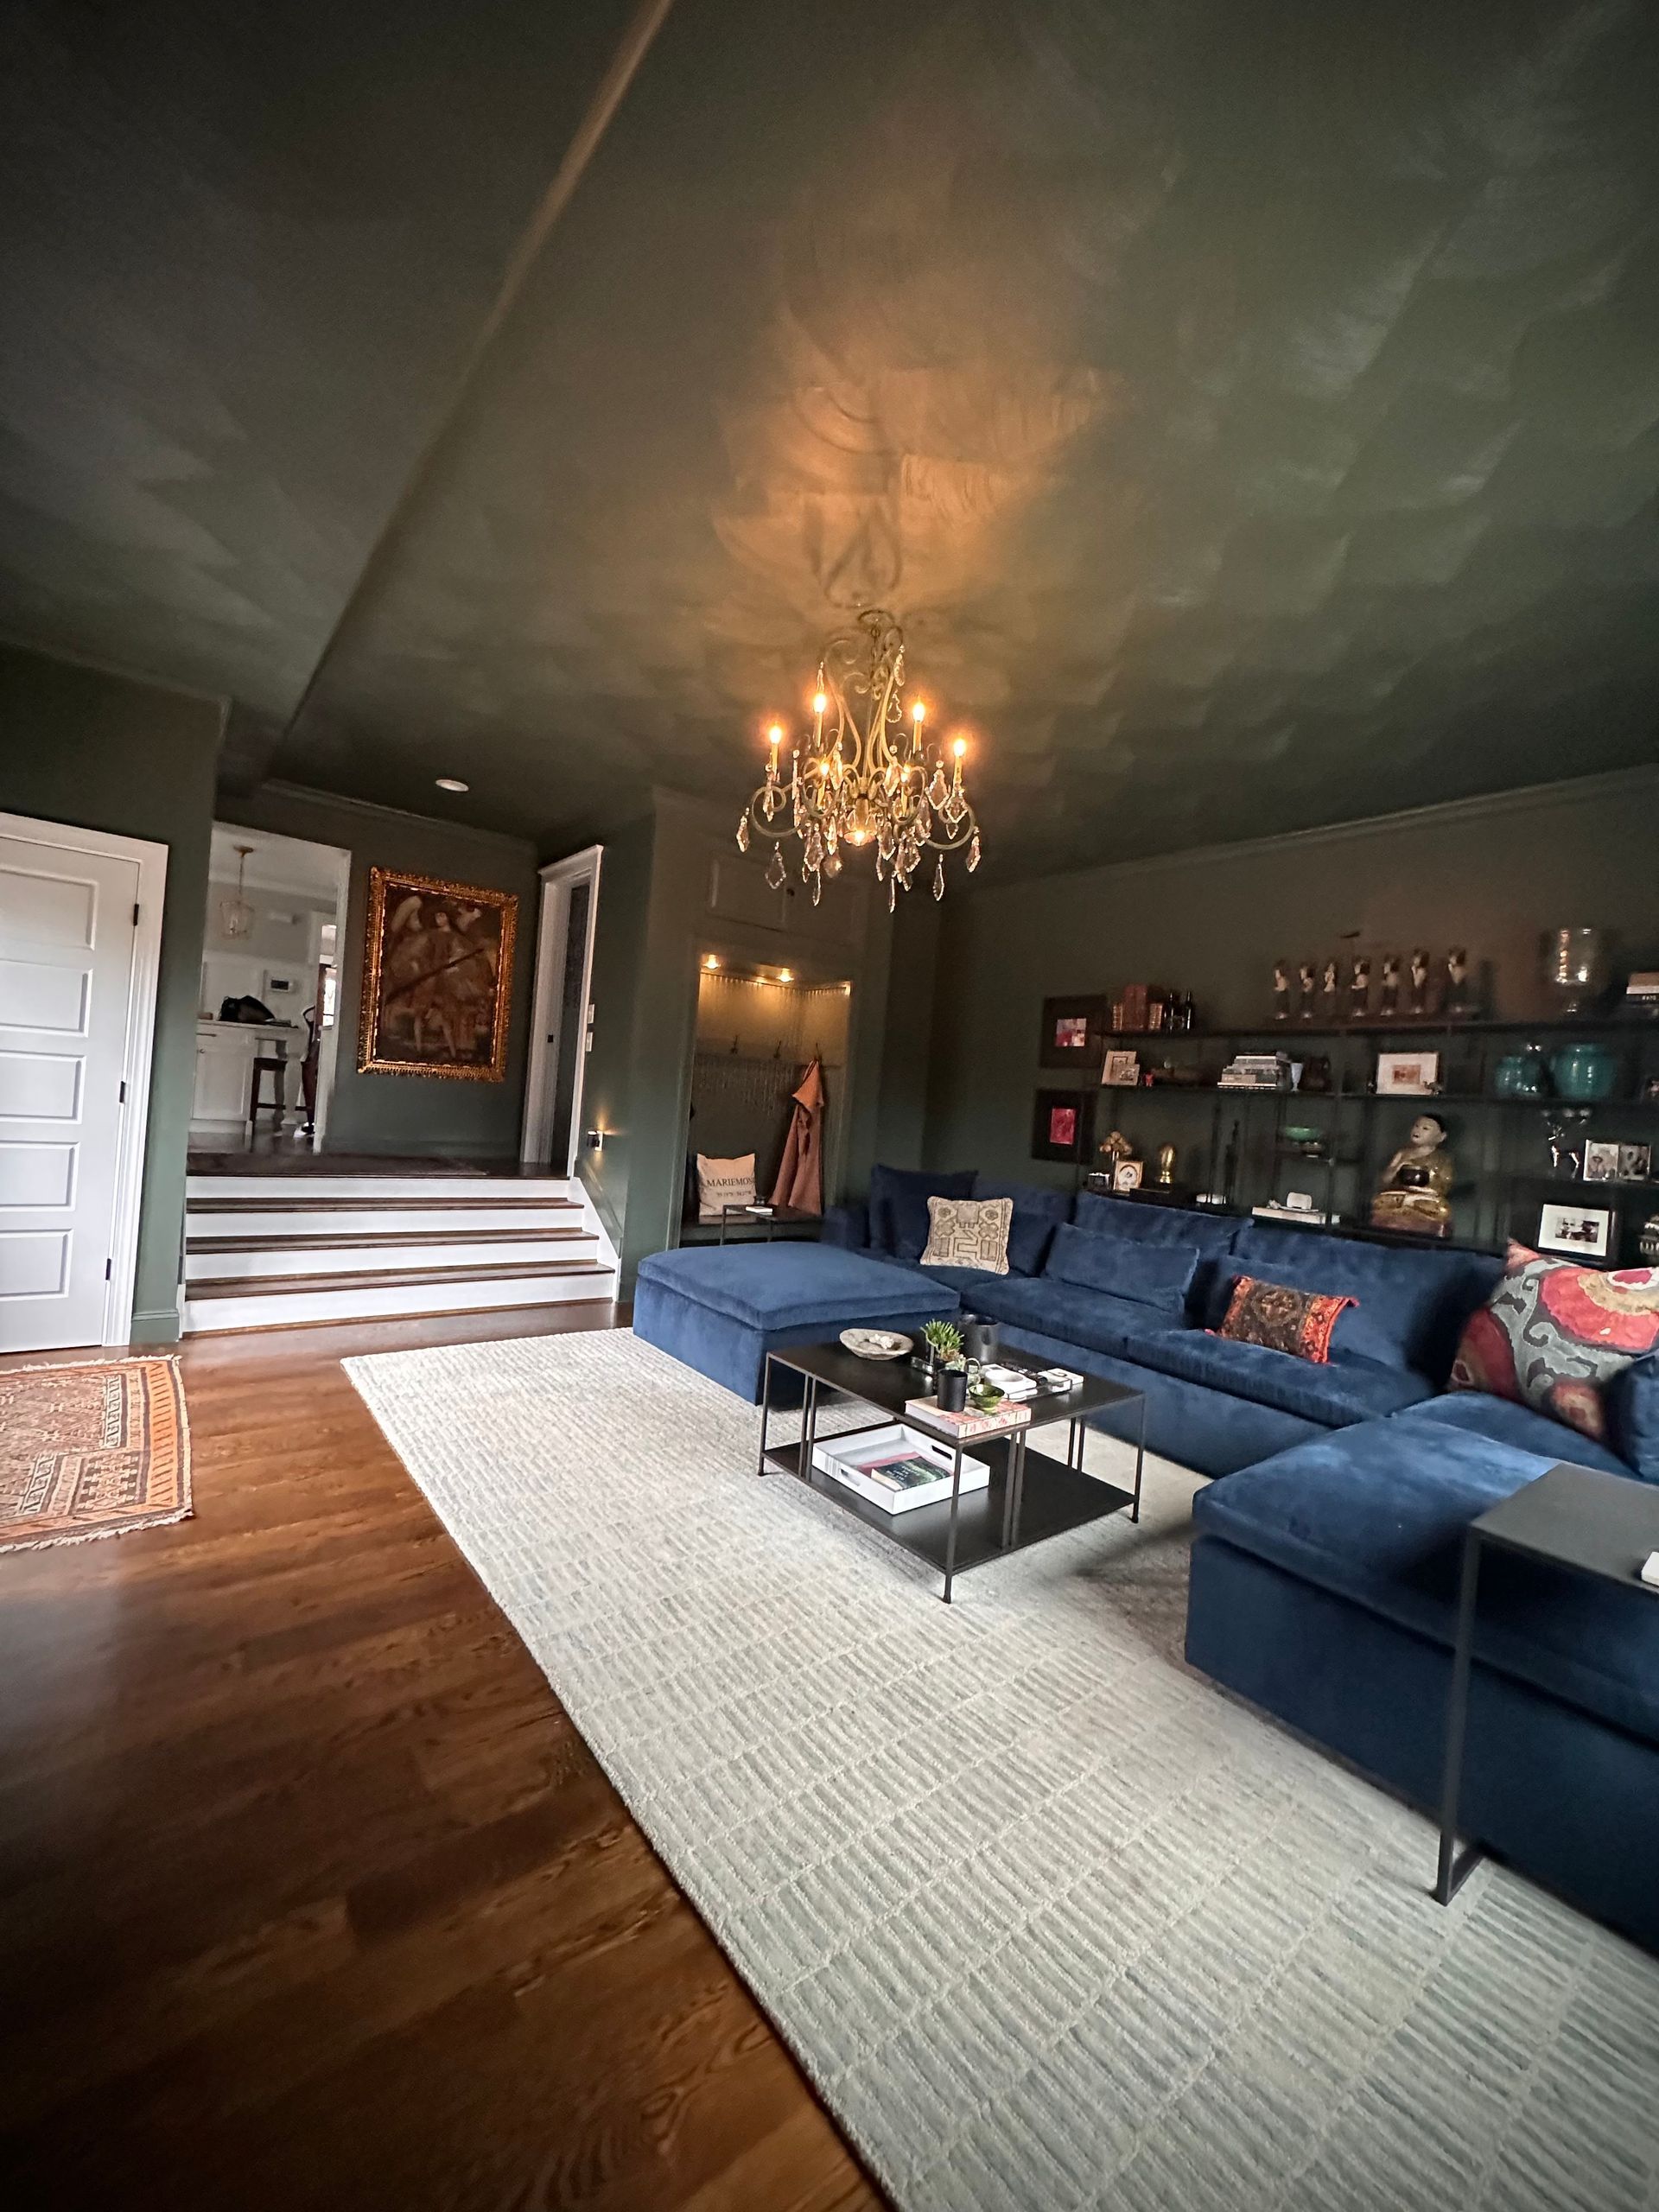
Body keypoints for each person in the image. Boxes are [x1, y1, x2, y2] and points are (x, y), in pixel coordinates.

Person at [1370, 1115, 1453, 1236]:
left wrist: (1425, 1188)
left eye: (1426, 1128)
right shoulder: (1403, 1153)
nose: (1418, 1130)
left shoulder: (1442, 1158)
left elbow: (1445, 1185)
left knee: (1442, 1210)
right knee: (1378, 1201)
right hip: (1399, 1196)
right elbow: (1385, 1181)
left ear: (1441, 1137)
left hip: (1425, 1199)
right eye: (1416, 1126)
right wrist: (1399, 1166)